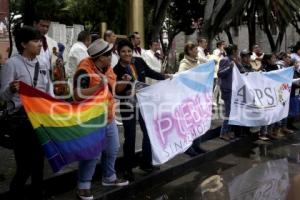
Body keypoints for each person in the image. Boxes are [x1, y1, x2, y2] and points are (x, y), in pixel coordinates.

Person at [0, 26, 52, 200]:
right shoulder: (11, 64)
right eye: (36, 41)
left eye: (40, 41)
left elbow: (48, 89)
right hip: (21, 122)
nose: (39, 44)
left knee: (39, 163)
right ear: (23, 44)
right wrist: (11, 89)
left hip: (40, 119)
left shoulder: (42, 63)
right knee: (24, 165)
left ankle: (38, 193)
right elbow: (3, 96)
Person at [73, 39, 129, 200]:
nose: (112, 57)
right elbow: (77, 94)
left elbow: (114, 89)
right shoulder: (83, 71)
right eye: (109, 54)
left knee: (113, 148)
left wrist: (124, 82)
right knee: (92, 153)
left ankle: (109, 178)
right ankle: (83, 186)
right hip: (91, 119)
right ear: (100, 57)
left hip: (109, 117)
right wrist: (97, 87)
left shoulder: (108, 68)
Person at [113, 39, 170, 181]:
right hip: (128, 106)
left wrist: (164, 76)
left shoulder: (138, 61)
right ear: (118, 53)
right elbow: (115, 91)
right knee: (130, 137)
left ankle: (146, 162)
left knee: (149, 132)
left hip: (144, 103)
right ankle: (128, 168)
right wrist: (125, 90)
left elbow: (150, 72)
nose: (127, 54)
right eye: (123, 51)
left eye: (129, 51)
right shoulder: (116, 70)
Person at [177, 42, 207, 157]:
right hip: (188, 98)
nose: (197, 51)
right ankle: (189, 148)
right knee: (190, 124)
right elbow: (181, 77)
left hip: (197, 97)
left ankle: (197, 145)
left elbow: (207, 64)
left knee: (198, 122)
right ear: (189, 51)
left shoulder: (197, 61)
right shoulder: (184, 64)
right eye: (195, 50)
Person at [218, 44, 239, 141]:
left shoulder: (233, 60)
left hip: (233, 89)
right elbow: (220, 73)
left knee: (231, 112)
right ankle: (223, 132)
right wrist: (229, 67)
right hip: (227, 89)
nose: (237, 51)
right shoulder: (225, 60)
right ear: (233, 51)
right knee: (228, 112)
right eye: (236, 50)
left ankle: (228, 131)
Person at [33, 16, 59, 97]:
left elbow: (55, 63)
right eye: (42, 25)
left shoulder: (53, 43)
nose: (45, 29)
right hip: (33, 78)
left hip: (49, 79)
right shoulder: (28, 41)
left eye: (47, 27)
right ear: (35, 24)